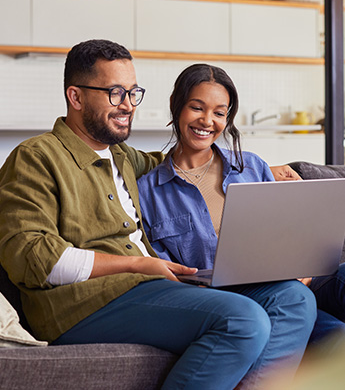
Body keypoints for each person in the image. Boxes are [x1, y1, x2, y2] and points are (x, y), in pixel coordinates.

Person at [0, 40, 317, 390]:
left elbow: (181, 164)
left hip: (148, 288)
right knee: (242, 320)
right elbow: (31, 258)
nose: (128, 106)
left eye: (133, 92)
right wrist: (137, 264)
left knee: (293, 297)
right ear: (75, 97)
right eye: (115, 93)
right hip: (86, 303)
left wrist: (260, 170)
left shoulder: (121, 157)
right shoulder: (36, 157)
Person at [137, 63, 345, 382]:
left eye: (220, 113)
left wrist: (302, 266)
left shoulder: (252, 168)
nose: (208, 121)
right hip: (220, 304)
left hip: (280, 290)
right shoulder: (149, 191)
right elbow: (167, 277)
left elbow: (288, 233)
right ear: (176, 106)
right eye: (197, 107)